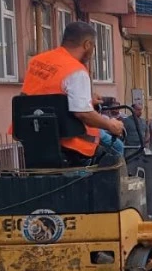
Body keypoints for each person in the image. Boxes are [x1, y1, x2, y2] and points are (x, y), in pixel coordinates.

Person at [20, 20, 124, 165]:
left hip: (34, 135)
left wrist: (87, 99)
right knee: (117, 148)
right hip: (70, 144)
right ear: (87, 45)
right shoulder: (76, 70)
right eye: (93, 47)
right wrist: (111, 125)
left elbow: (46, 95)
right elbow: (83, 114)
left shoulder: (37, 61)